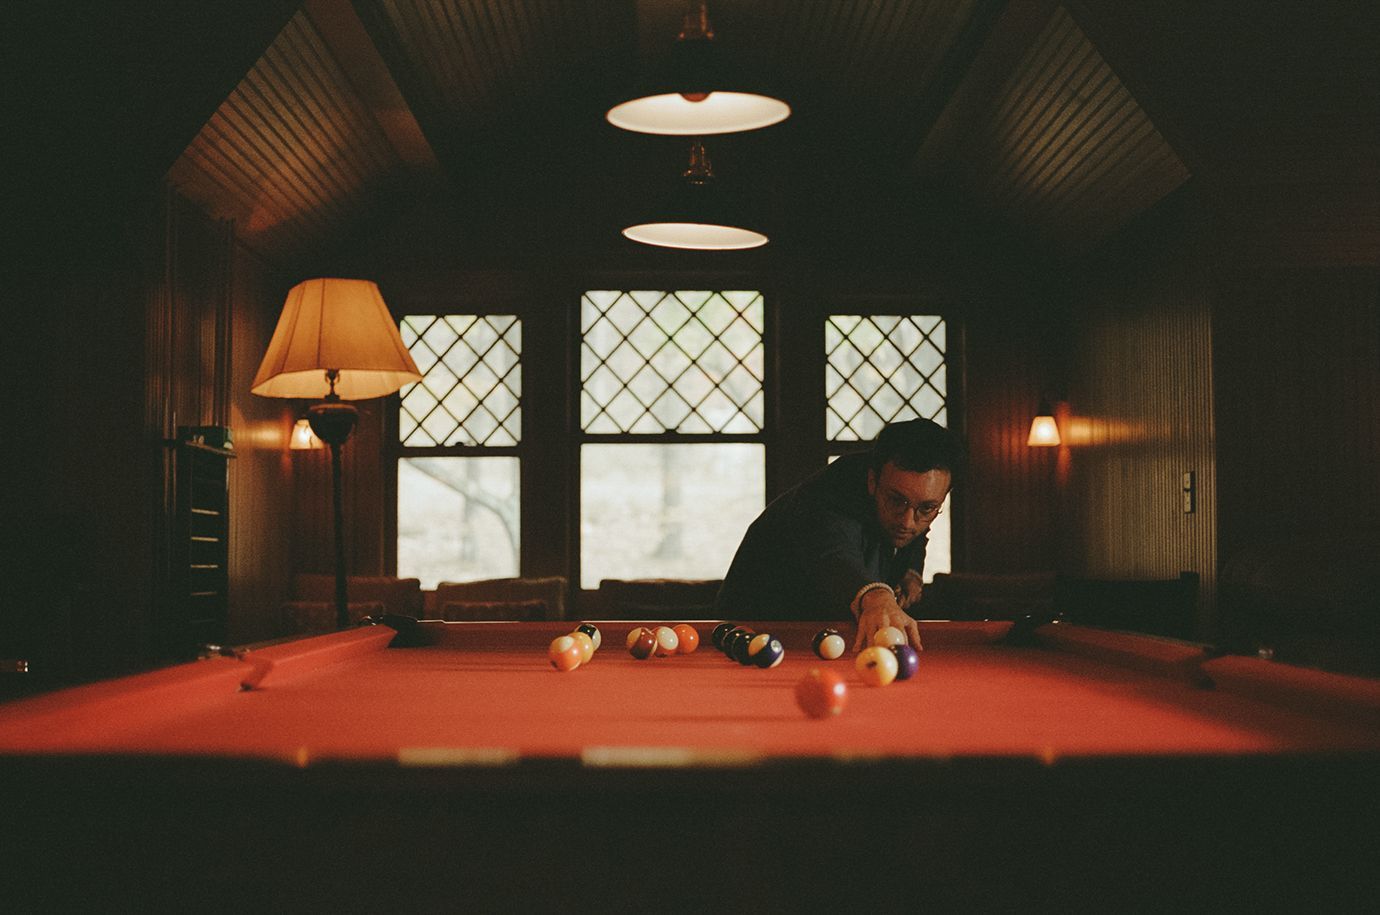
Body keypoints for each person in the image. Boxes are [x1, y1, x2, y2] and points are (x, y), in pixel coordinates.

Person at [713, 418, 962, 652]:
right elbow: (831, 551)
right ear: (872, 481)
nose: (908, 520)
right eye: (896, 501)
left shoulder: (909, 506)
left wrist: (912, 571)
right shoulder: (828, 493)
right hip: (751, 630)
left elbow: (916, 532)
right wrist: (877, 596)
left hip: (826, 631)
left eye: (927, 508)